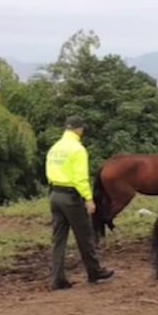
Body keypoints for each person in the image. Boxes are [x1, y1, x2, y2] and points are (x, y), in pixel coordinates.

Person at [45, 116, 114, 289]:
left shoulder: (55, 148)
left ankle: (57, 278)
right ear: (79, 129)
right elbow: (80, 177)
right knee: (85, 235)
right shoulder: (77, 149)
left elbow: (49, 171)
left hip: (55, 194)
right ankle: (94, 271)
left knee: (59, 239)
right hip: (71, 197)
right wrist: (88, 199)